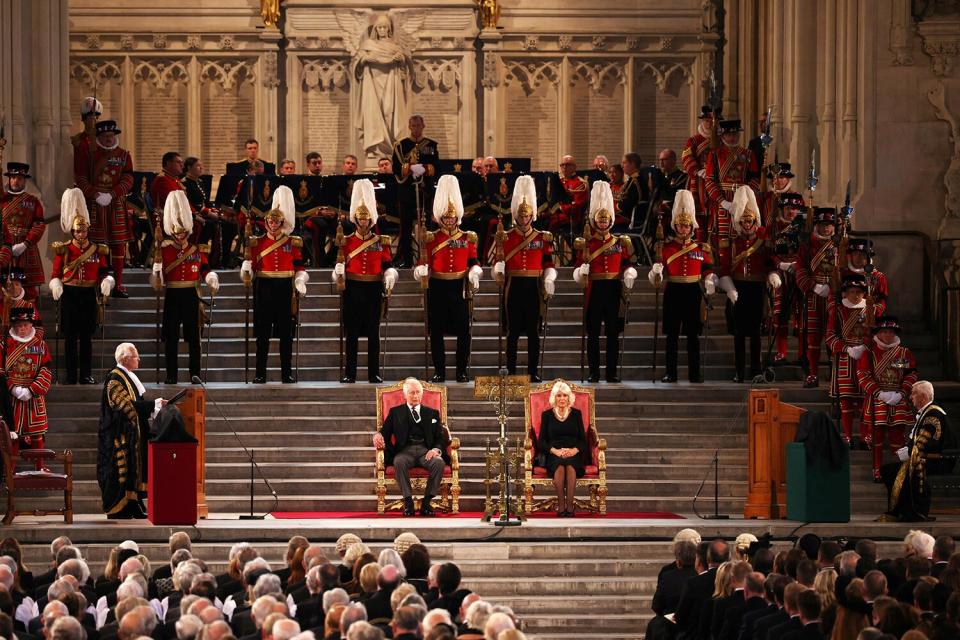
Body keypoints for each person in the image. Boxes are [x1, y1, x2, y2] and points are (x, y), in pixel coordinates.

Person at [413, 175, 482, 383]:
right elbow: (421, 263)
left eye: (452, 217)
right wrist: (421, 271)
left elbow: (474, 261)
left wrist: (474, 273)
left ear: (457, 217)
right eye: (446, 217)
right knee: (436, 332)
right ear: (440, 217)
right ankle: (439, 371)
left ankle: (461, 370)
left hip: (459, 287)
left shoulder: (467, 237)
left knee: (463, 331)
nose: (449, 220)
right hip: (437, 287)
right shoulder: (431, 238)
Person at [241, 186, 308, 384]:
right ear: (266, 222)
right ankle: (260, 373)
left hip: (285, 288)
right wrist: (246, 269)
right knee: (262, 335)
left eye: (276, 221)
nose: (273, 224)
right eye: (270, 221)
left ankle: (286, 373)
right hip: (264, 288)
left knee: (286, 335)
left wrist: (300, 280)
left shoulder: (292, 242)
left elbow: (299, 266)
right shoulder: (256, 243)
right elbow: (250, 270)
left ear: (281, 222)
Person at [647, 189, 716, 383]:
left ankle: (695, 373)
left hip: (693, 292)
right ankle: (671, 372)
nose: (684, 229)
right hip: (674, 292)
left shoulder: (701, 248)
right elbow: (656, 280)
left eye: (687, 226)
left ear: (691, 227)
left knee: (693, 336)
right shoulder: (666, 249)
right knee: (672, 337)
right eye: (680, 225)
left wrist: (710, 280)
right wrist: (656, 273)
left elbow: (708, 269)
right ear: (675, 226)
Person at [493, 175, 557, 382]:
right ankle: (511, 370)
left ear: (532, 216)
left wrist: (549, 277)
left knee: (533, 333)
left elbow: (548, 262)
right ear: (516, 216)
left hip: (533, 287)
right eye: (520, 217)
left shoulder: (541, 237)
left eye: (527, 216)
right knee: (512, 333)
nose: (523, 219)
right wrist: (498, 269)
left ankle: (533, 371)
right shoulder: (506, 237)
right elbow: (497, 261)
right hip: (514, 286)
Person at [334, 179, 398, 384]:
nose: (363, 222)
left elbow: (388, 265)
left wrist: (390, 276)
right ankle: (349, 373)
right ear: (355, 219)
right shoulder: (346, 240)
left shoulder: (382, 241)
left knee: (373, 333)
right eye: (360, 219)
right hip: (352, 288)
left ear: (371, 219)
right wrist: (337, 273)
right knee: (351, 333)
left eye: (366, 219)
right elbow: (338, 265)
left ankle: (374, 373)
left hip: (372, 288)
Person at [152, 191, 220, 385]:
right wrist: (156, 272)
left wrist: (211, 277)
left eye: (183, 233)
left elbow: (204, 268)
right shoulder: (163, 250)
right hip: (173, 294)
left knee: (194, 338)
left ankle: (194, 373)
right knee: (171, 338)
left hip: (191, 294)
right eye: (177, 233)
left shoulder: (196, 249)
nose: (180, 236)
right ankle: (171, 375)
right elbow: (158, 281)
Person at [572, 181, 638, 383]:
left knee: (612, 333)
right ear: (594, 221)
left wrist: (630, 274)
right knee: (593, 334)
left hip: (613, 289)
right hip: (595, 289)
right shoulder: (586, 243)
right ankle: (594, 372)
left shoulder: (620, 242)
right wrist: (580, 272)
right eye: (599, 220)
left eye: (606, 220)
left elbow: (627, 263)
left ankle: (611, 372)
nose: (602, 223)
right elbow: (576, 268)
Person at [49, 188, 115, 385]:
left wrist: (107, 281)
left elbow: (104, 271)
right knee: (70, 338)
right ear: (73, 231)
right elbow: (55, 274)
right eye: (78, 231)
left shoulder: (98, 249)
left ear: (87, 230)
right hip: (69, 294)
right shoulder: (64, 249)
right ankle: (70, 375)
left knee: (86, 338)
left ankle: (85, 374)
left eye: (83, 230)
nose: (81, 234)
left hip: (87, 294)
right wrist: (56, 285)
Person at [97, 342, 167, 519]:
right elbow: (124, 406)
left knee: (133, 471)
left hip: (131, 433)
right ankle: (119, 508)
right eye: (136, 357)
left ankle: (133, 503)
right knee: (121, 471)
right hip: (117, 435)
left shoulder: (127, 376)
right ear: (126, 359)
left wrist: (153, 406)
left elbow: (134, 404)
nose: (139, 359)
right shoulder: (115, 378)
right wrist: (153, 405)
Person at [718, 185, 775, 382]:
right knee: (739, 333)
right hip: (738, 289)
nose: (747, 224)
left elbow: (769, 264)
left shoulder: (763, 242)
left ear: (755, 222)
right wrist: (730, 288)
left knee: (756, 332)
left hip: (757, 289)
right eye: (744, 221)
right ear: (739, 222)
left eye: (750, 221)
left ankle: (756, 370)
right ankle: (739, 371)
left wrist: (772, 276)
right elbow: (724, 269)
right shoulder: (732, 243)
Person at [73, 119, 134, 297]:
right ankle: (100, 282)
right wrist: (94, 194)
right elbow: (81, 178)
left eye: (111, 135)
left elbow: (128, 178)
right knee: (97, 245)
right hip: (94, 204)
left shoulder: (123, 155)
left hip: (115, 204)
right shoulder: (89, 154)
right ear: (98, 137)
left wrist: (113, 194)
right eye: (105, 136)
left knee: (118, 245)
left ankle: (119, 284)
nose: (109, 139)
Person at [880, 382, 957, 522]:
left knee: (891, 470)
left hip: (937, 460)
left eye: (913, 393)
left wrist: (908, 453)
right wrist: (908, 450)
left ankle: (914, 512)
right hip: (925, 456)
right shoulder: (928, 412)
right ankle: (903, 511)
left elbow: (924, 443)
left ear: (923, 396)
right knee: (887, 469)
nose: (911, 397)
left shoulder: (934, 414)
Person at [373, 377, 448, 517]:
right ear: (405, 394)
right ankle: (408, 502)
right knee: (398, 462)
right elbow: (384, 432)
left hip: (425, 451)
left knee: (439, 463)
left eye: (418, 392)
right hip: (404, 451)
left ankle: (426, 503)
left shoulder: (432, 413)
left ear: (422, 393)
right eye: (412, 393)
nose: (415, 396)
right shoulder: (395, 412)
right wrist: (377, 436)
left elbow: (440, 437)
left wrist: (435, 450)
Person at [857, 316, 918, 481]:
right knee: (876, 438)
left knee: (897, 437)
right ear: (878, 333)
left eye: (891, 332)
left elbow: (910, 374)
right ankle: (877, 469)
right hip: (878, 399)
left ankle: (898, 469)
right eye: (884, 332)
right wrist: (880, 393)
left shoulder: (903, 353)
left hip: (898, 399)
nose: (887, 335)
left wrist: (902, 393)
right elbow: (863, 376)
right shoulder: (870, 353)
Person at [825, 274, 876, 447]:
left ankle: (865, 437)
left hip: (865, 357)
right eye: (852, 291)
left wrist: (864, 347)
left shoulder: (870, 310)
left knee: (864, 400)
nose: (855, 295)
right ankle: (847, 436)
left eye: (859, 292)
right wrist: (846, 348)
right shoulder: (838, 311)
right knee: (846, 399)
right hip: (845, 358)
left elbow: (876, 335)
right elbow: (830, 337)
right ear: (845, 293)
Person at [703, 118, 760, 268]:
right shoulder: (715, 155)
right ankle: (724, 272)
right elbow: (709, 181)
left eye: (735, 134)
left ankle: (740, 271)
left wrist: (748, 197)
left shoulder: (748, 154)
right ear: (722, 136)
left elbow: (754, 179)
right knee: (723, 239)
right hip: (723, 200)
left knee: (742, 236)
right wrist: (723, 202)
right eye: (729, 134)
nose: (733, 137)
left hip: (743, 200)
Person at [1, 307, 52, 470]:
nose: (22, 329)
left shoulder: (41, 345)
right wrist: (12, 388)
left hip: (34, 396)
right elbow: (0, 372)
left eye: (25, 325)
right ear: (13, 326)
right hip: (12, 397)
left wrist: (32, 390)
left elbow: (46, 369)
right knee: (12, 433)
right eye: (19, 326)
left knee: (37, 434)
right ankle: (10, 468)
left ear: (31, 325)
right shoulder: (5, 344)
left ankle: (40, 466)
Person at [795, 207, 840, 387]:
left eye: (829, 225)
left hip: (834, 295)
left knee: (833, 334)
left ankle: (834, 373)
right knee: (813, 336)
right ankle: (813, 373)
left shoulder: (840, 245)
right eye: (822, 225)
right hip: (814, 295)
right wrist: (813, 286)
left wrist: (836, 288)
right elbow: (800, 270)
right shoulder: (807, 245)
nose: (826, 229)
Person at [392, 115, 439, 268]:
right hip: (406, 193)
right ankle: (407, 261)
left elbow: (437, 167)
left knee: (428, 227)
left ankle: (428, 260)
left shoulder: (431, 145)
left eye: (419, 125)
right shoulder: (401, 145)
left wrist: (424, 169)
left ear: (423, 125)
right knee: (405, 229)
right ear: (409, 126)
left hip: (425, 192)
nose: (416, 128)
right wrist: (410, 168)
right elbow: (395, 168)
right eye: (413, 125)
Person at [537, 380, 589, 517]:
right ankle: (561, 507)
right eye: (559, 396)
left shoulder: (576, 414)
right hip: (554, 453)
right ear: (554, 398)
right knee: (559, 467)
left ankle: (570, 507)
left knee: (571, 467)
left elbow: (583, 441)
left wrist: (574, 450)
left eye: (565, 395)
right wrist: (555, 450)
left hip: (573, 452)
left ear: (569, 398)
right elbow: (541, 441)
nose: (562, 399)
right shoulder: (547, 415)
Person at [0, 162, 47, 300]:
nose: (16, 181)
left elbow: (39, 225)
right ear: (9, 179)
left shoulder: (33, 201)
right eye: (13, 177)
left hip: (26, 248)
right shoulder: (2, 200)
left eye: (19, 178)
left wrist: (25, 244)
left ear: (25, 180)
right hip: (4, 247)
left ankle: (31, 319)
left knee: (28, 288)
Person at [770, 191, 806, 363]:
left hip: (801, 273)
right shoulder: (774, 227)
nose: (791, 212)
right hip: (781, 273)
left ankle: (802, 353)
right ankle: (781, 352)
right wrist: (780, 264)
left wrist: (799, 266)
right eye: (788, 208)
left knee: (802, 314)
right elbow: (768, 252)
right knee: (779, 313)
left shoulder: (805, 227)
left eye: (795, 209)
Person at [184, 157, 238, 269]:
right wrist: (208, 212)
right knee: (214, 225)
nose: (201, 168)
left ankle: (224, 259)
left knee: (230, 225)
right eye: (198, 166)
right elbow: (191, 204)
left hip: (204, 214)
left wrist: (215, 211)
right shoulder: (185, 183)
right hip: (194, 216)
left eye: (201, 165)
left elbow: (206, 202)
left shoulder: (199, 182)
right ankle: (208, 260)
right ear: (189, 168)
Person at [681, 105, 719, 231]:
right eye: (706, 121)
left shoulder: (721, 139)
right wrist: (698, 170)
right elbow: (686, 157)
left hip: (717, 179)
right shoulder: (694, 140)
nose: (709, 124)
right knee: (698, 215)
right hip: (698, 181)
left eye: (711, 121)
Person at [843, 238, 889, 315]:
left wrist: (873, 311)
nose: (858, 257)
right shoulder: (843, 274)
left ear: (868, 257)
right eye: (855, 254)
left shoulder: (878, 277)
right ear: (851, 256)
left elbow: (882, 300)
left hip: (868, 317)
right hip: (846, 317)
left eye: (862, 255)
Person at [555, 155, 589, 235]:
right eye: (562, 165)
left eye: (567, 165)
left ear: (574, 167)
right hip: (558, 213)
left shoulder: (580, 183)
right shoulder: (559, 181)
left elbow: (577, 205)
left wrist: (559, 208)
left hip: (571, 217)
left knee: (550, 220)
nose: (564, 167)